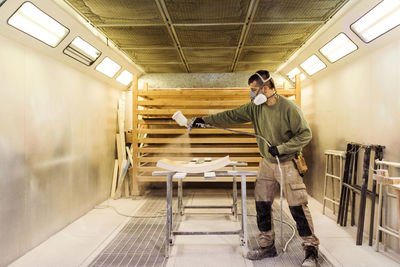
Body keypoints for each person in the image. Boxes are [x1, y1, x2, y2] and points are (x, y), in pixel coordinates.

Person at [191, 70, 319, 266]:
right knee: (262, 205)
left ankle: (310, 250)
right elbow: (231, 115)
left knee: (297, 207)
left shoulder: (289, 108)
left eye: (253, 90)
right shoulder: (255, 108)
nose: (251, 94)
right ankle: (267, 246)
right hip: (267, 163)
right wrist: (205, 120)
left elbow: (305, 135)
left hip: (287, 163)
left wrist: (282, 148)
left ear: (265, 88)